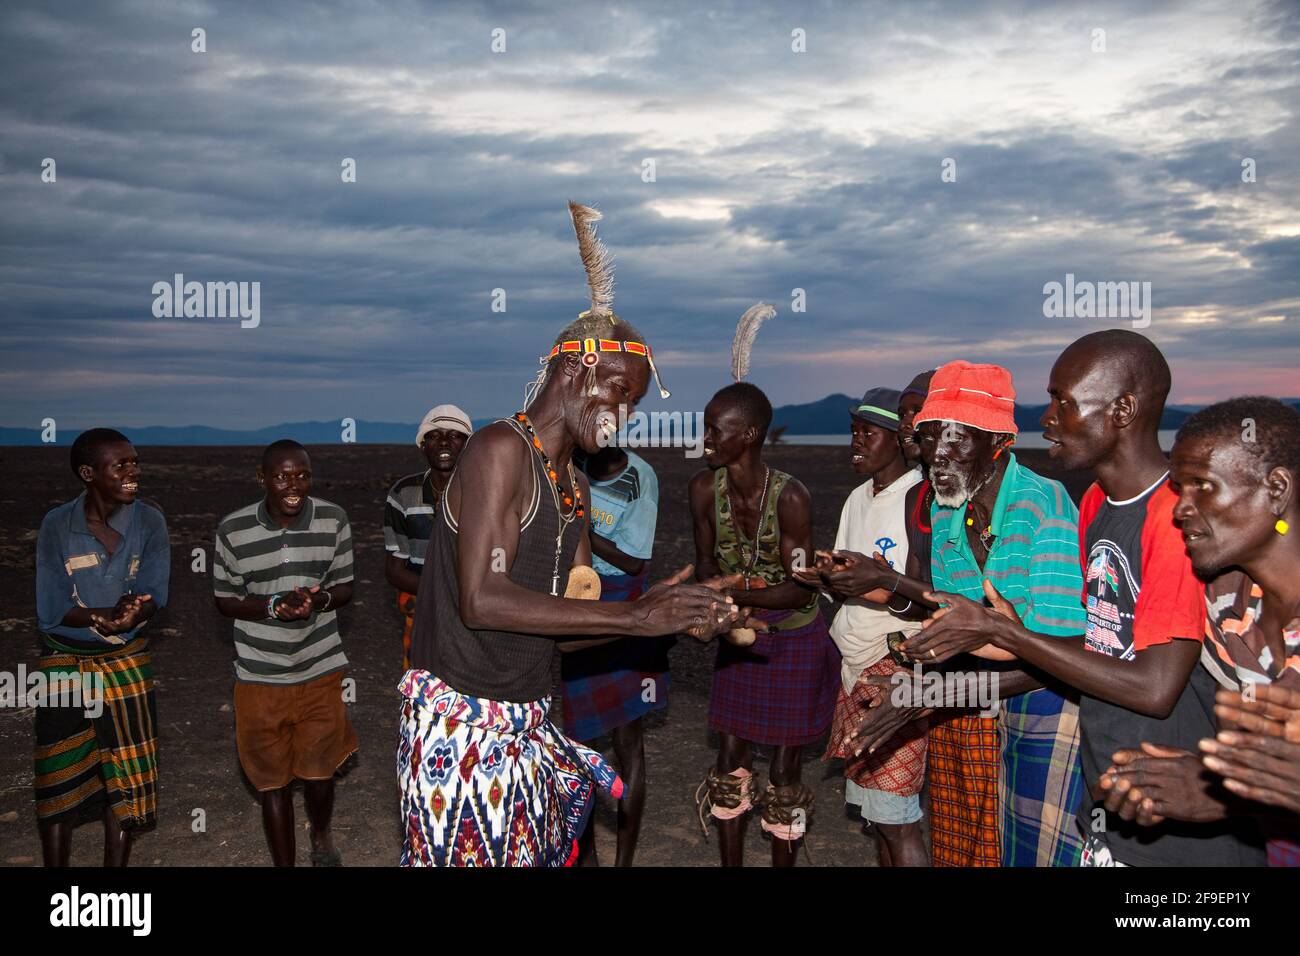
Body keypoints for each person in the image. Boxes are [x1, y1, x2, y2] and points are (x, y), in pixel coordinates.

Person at [397, 202, 750, 867]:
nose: (623, 413)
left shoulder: (573, 485)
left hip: (530, 716)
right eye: (616, 391)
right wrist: (639, 617)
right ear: (571, 372)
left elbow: (570, 624)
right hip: (463, 723)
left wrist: (667, 619)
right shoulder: (501, 450)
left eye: (634, 402)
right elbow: (483, 599)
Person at [906, 332, 1265, 866]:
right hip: (1113, 791)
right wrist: (1007, 639)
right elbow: (1105, 641)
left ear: (1122, 409)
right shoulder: (1096, 502)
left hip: (1180, 817)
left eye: (1064, 402)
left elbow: (1156, 686)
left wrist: (1008, 634)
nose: (1047, 418)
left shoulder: (1174, 518)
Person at [849, 361, 1089, 866]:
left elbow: (1058, 656)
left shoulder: (1043, 507)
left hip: (1048, 706)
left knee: (1029, 848)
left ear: (999, 441)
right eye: (931, 437)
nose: (938, 454)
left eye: (958, 440)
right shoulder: (945, 509)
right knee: (968, 843)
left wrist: (928, 693)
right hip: (979, 695)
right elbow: (961, 622)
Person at [1100, 396, 1300, 865]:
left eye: (1202, 487)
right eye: (1177, 488)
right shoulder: (1228, 601)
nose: (1180, 510)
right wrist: (1175, 785)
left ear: (1276, 487)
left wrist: (1227, 796)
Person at [691, 366, 840, 866]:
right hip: (739, 636)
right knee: (728, 763)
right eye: (706, 427)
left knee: (784, 771)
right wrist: (726, 611)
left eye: (715, 429)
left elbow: (802, 591)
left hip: (794, 637)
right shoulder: (703, 490)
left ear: (749, 434)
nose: (706, 438)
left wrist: (739, 595)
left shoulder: (792, 497)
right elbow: (707, 561)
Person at [794, 387, 929, 866]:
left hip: (892, 665)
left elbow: (922, 599)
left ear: (897, 440)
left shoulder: (918, 499)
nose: (856, 442)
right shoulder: (857, 497)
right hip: (853, 662)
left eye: (867, 433)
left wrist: (861, 584)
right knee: (877, 815)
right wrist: (823, 579)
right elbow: (847, 577)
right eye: (853, 431)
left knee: (897, 815)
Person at [213, 439, 357, 866]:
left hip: (320, 668)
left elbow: (345, 586)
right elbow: (224, 599)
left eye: (302, 476)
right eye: (282, 476)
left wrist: (319, 601)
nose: (293, 485)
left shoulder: (333, 519)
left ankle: (321, 835)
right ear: (263, 479)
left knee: (320, 773)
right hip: (260, 675)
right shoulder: (233, 529)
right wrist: (274, 606)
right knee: (272, 783)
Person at [34, 428, 170, 867]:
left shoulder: (149, 521)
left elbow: (154, 591)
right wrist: (98, 615)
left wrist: (135, 612)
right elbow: (52, 607)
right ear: (88, 474)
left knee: (126, 778)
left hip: (126, 661)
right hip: (65, 664)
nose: (133, 473)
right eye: (121, 465)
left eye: (135, 462)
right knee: (58, 780)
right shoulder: (58, 524)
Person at [561, 443, 666, 866]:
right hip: (578, 602)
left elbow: (634, 563)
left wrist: (582, 529)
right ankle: (586, 854)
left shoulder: (640, 478)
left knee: (628, 741)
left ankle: (623, 860)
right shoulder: (572, 467)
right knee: (579, 739)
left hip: (625, 607)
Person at [384, 405, 473, 668]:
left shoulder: (484, 492)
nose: (444, 441)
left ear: (469, 446)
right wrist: (443, 593)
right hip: (421, 604)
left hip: (475, 607)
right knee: (422, 681)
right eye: (434, 435)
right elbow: (394, 569)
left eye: (455, 435)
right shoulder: (404, 494)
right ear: (423, 445)